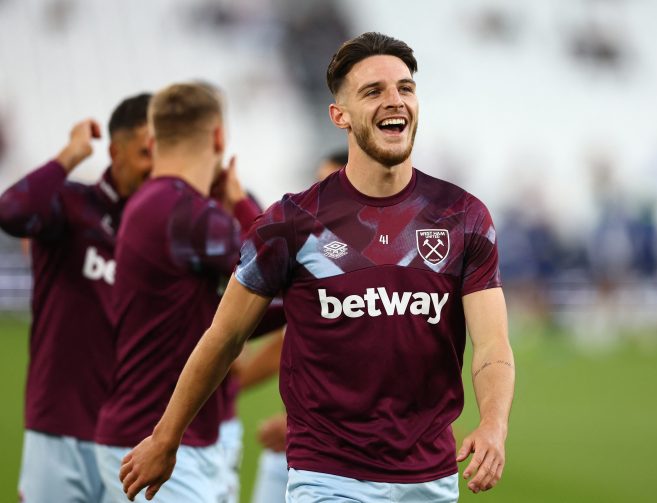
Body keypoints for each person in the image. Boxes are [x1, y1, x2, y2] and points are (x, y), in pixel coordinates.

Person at [119, 32, 515, 502]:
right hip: (328, 478)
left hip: (430, 481)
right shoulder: (291, 222)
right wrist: (166, 438)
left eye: (405, 88)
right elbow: (224, 337)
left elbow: (491, 342)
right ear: (339, 115)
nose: (395, 101)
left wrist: (493, 424)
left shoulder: (463, 217)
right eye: (374, 91)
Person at [93, 83, 263, 502]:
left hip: (159, 434)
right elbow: (278, 277)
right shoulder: (189, 214)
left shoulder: (154, 203)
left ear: (153, 140)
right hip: (156, 441)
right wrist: (242, 205)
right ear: (219, 137)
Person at [0, 94, 152, 503]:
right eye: (144, 152)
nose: (155, 165)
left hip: (133, 437)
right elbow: (12, 212)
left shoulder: (162, 230)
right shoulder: (72, 203)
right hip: (59, 427)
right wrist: (71, 153)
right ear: (115, 151)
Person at [247, 149, 347, 503]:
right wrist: (222, 385)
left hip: (347, 461)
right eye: (318, 185)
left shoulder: (382, 271)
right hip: (300, 446)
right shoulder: (314, 253)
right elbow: (291, 338)